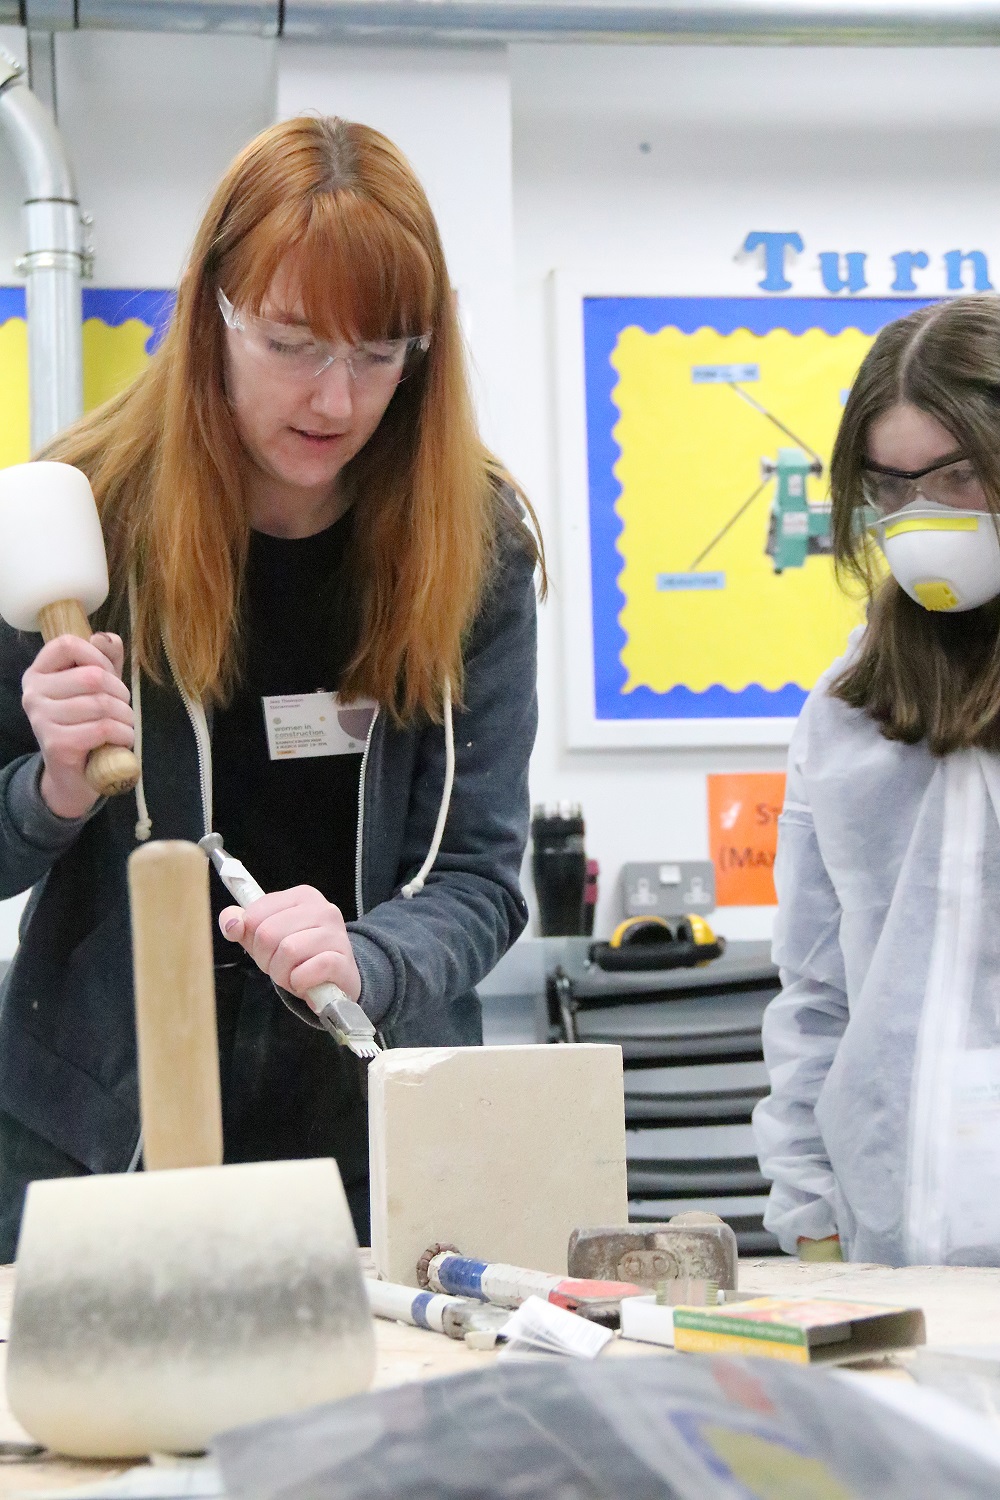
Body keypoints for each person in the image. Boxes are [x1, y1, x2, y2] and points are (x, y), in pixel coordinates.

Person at [0, 116, 542, 1257]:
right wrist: (44, 794)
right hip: (102, 1134)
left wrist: (372, 956)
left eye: (380, 351)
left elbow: (483, 878)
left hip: (371, 1129)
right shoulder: (82, 512)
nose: (336, 401)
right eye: (294, 342)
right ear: (212, 312)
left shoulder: (473, 542)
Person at [753, 294, 1000, 1268]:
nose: (921, 514)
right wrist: (809, 1216)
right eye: (892, 487)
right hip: (889, 1245)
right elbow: (815, 994)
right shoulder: (846, 711)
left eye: (956, 475)